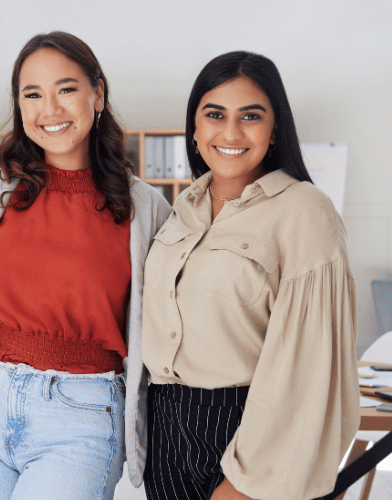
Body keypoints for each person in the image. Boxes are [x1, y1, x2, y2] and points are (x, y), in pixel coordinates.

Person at [0, 32, 171, 500]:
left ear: (98, 94)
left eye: (66, 89)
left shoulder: (146, 208)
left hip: (81, 414)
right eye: (33, 94)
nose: (50, 110)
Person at [140, 51, 358, 500]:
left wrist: (245, 482)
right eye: (215, 114)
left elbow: (307, 366)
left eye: (251, 116)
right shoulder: (179, 211)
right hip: (167, 430)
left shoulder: (304, 211)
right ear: (195, 128)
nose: (231, 132)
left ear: (275, 128)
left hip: (249, 429)